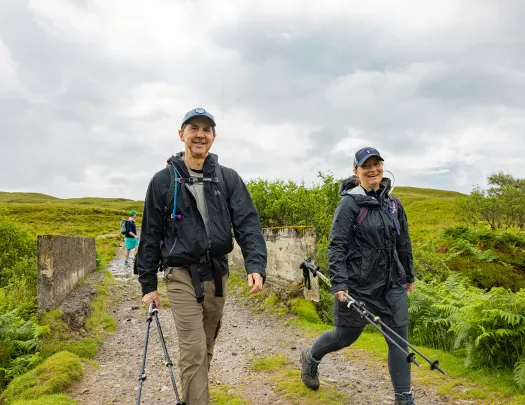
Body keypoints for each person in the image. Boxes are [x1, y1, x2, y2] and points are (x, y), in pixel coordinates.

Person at [136, 107, 267, 405]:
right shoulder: (162, 181)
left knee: (205, 347)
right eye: (193, 128)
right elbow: (151, 233)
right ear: (181, 135)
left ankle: (194, 393)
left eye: (206, 130)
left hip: (217, 275)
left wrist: (256, 264)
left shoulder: (227, 178)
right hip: (181, 275)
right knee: (194, 350)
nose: (200, 134)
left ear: (213, 137)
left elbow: (247, 223)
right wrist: (148, 284)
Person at [300, 147, 417, 405]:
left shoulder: (394, 204)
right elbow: (337, 245)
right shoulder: (349, 204)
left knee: (399, 340)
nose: (373, 169)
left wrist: (408, 274)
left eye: (377, 164)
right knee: (345, 337)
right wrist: (339, 282)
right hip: (358, 285)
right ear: (356, 172)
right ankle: (311, 357)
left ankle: (404, 398)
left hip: (391, 284)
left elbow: (403, 243)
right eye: (366, 166)